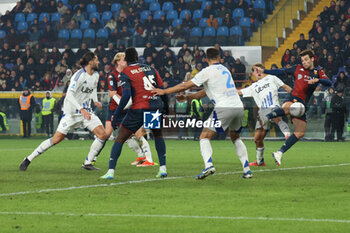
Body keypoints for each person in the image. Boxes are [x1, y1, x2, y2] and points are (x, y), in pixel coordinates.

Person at [153, 48, 252, 179]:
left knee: (204, 137)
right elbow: (205, 91)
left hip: (224, 106)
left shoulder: (206, 71)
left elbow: (184, 86)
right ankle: (247, 170)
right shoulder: (225, 70)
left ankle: (209, 165)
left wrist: (164, 91)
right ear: (219, 58)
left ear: (206, 59)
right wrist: (188, 98)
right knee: (235, 137)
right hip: (238, 106)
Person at [19, 52, 108, 171]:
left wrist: (95, 100)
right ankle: (28, 159)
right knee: (56, 139)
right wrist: (81, 109)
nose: (99, 62)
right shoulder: (79, 75)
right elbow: (69, 95)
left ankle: (87, 163)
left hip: (86, 112)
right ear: (90, 62)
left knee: (103, 135)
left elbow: (93, 88)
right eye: (96, 59)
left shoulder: (96, 74)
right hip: (72, 113)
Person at [100, 47, 169, 179]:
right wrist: (165, 107)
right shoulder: (151, 69)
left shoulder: (125, 72)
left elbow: (126, 96)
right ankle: (163, 168)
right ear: (137, 57)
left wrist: (117, 114)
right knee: (158, 135)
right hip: (154, 106)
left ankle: (110, 172)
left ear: (125, 59)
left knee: (120, 138)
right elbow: (162, 90)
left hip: (138, 108)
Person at [256, 49, 332, 166]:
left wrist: (318, 80)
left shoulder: (318, 72)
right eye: (302, 60)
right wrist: (264, 71)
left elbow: (329, 82)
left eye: (306, 59)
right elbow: (281, 72)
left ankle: (279, 152)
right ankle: (266, 117)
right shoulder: (297, 68)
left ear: (312, 59)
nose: (304, 62)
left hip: (302, 104)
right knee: (289, 108)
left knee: (300, 132)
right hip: (293, 97)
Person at [97, 52, 154, 167]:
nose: (126, 61)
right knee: (123, 136)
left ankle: (149, 159)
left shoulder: (130, 73)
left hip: (130, 109)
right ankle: (142, 156)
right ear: (118, 62)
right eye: (124, 59)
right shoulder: (113, 75)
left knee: (138, 133)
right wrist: (122, 105)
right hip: (118, 109)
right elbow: (112, 93)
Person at [238, 63, 292, 166]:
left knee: (277, 118)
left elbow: (285, 87)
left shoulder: (272, 78)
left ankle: (287, 135)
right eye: (255, 71)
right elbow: (240, 92)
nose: (258, 72)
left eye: (259, 70)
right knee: (257, 139)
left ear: (263, 70)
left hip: (273, 107)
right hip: (262, 113)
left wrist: (296, 96)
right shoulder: (253, 87)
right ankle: (260, 161)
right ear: (253, 73)